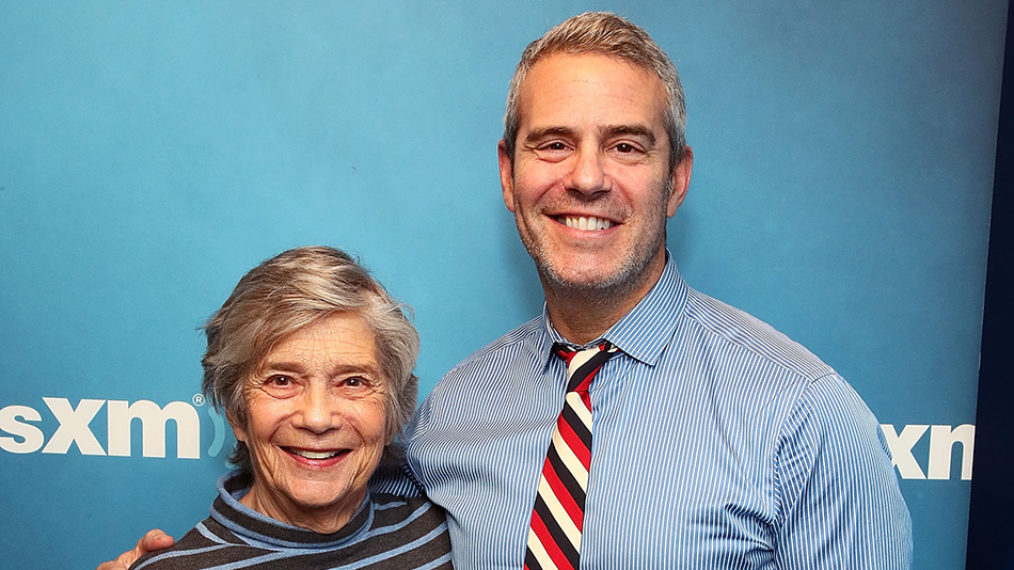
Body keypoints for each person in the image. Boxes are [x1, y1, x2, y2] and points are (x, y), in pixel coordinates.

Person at [102, 11, 911, 570]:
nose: (586, 178)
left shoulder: (804, 416)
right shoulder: (454, 406)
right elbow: (315, 486)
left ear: (676, 179)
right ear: (509, 173)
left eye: (626, 146)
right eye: (553, 143)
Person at [123, 247, 451, 569]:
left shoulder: (444, 534)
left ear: (392, 413)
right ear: (236, 413)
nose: (318, 418)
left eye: (352, 382)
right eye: (282, 381)